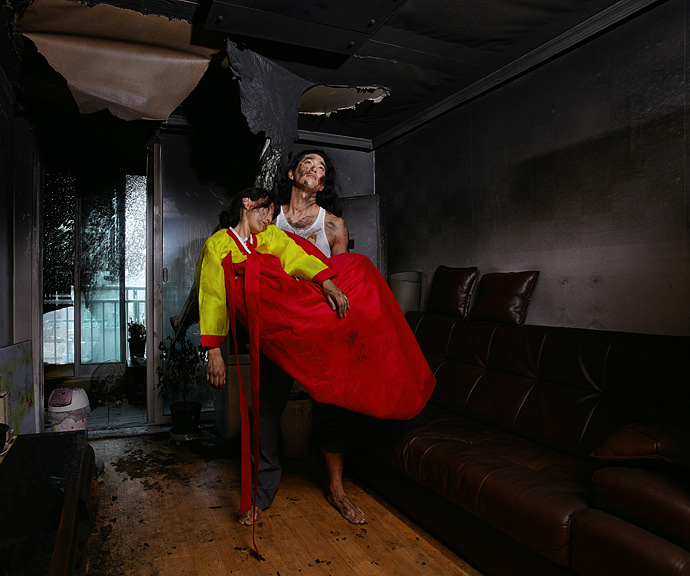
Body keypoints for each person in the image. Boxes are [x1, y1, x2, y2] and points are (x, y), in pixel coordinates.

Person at [240, 149, 363, 528]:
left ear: (323, 183)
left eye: (322, 166)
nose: (315, 168)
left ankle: (337, 489)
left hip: (320, 333)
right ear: (292, 173)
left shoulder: (334, 226)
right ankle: (261, 494)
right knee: (265, 411)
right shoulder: (269, 218)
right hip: (278, 331)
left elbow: (344, 279)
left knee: (332, 407)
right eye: (308, 163)